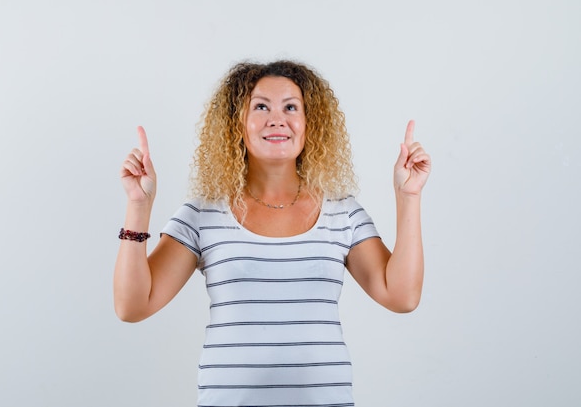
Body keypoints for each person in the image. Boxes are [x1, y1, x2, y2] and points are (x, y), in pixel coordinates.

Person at [114, 60, 431, 406]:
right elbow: (132, 306)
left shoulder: (343, 212)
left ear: (311, 124)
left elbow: (401, 297)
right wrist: (139, 206)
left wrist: (408, 196)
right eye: (261, 106)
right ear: (238, 124)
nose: (277, 118)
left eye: (291, 107)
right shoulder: (202, 214)